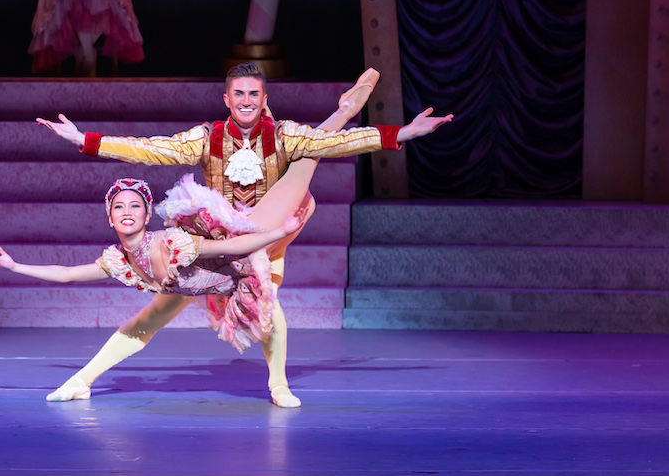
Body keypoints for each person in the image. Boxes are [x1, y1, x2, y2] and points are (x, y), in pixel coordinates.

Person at [37, 64, 454, 407]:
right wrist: (87, 140)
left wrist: (403, 133)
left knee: (311, 154)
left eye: (254, 95)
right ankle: (83, 379)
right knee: (155, 315)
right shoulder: (207, 138)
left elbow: (342, 145)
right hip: (216, 238)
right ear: (227, 100)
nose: (247, 102)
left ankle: (278, 385)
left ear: (265, 100)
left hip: (267, 229)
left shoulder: (284, 133)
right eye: (239, 94)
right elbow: (152, 148)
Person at [0, 175, 311, 402]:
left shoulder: (172, 243)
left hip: (237, 270)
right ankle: (80, 382)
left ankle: (278, 384)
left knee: (268, 308)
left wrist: (279, 231)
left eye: (135, 206)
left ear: (147, 213)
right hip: (184, 285)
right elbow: (68, 274)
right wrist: (15, 266)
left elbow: (236, 246)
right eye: (119, 207)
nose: (127, 212)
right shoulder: (120, 260)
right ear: (110, 218)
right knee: (144, 323)